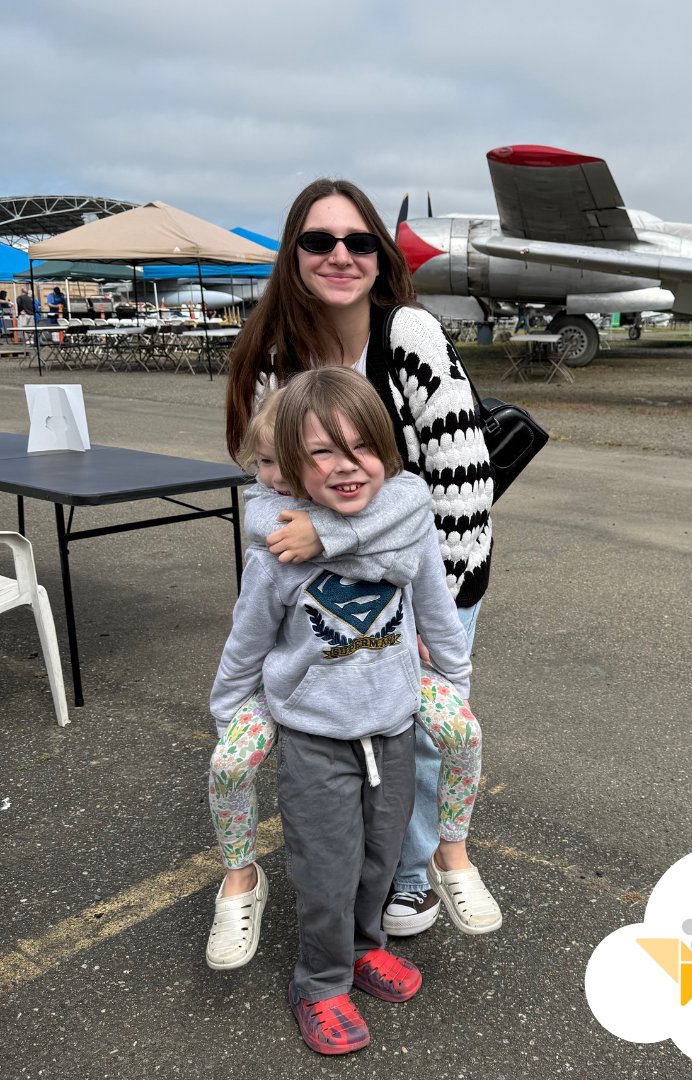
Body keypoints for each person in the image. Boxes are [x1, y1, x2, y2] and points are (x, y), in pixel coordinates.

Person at [225, 178, 495, 939]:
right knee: (352, 734)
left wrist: (421, 598)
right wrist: (305, 550)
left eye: (359, 241)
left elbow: (458, 485)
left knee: (420, 728)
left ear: (380, 253)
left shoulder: (408, 334)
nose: (341, 255)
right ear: (294, 254)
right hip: (323, 593)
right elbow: (269, 494)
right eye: (319, 241)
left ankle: (413, 877)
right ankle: (363, 877)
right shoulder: (282, 360)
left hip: (435, 570)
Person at [211, 368, 474, 1055]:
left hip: (391, 730)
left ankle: (364, 949)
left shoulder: (406, 534)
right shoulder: (278, 555)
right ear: (292, 467)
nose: (347, 465)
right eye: (323, 452)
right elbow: (247, 639)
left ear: (386, 453)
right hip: (315, 740)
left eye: (361, 447)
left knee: (379, 862)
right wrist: (228, 719)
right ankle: (321, 982)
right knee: (326, 870)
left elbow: (440, 617)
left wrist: (455, 686)